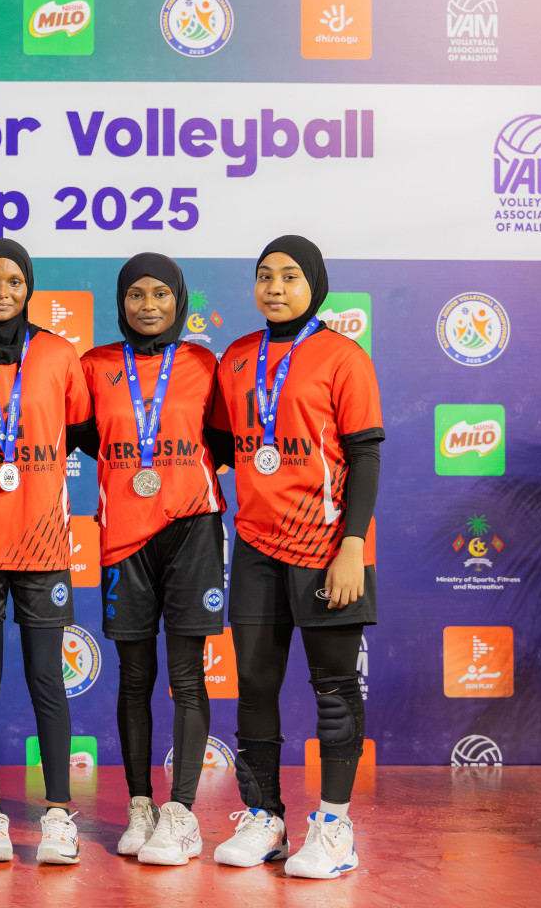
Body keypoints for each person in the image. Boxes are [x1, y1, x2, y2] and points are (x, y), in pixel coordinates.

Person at [207, 236, 380, 879]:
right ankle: (265, 817)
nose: (274, 287)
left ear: (314, 285)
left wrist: (353, 546)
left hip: (328, 547)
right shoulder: (237, 357)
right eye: (264, 276)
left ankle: (334, 827)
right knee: (254, 686)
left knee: (333, 689)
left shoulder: (343, 356)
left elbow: (364, 455)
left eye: (289, 276)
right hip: (255, 546)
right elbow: (219, 442)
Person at [73, 253, 228, 866]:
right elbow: (86, 435)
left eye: (161, 293)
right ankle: (141, 804)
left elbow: (222, 442)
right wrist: (134, 467)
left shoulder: (203, 364)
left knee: (187, 675)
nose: (148, 305)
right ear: (121, 301)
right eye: (135, 294)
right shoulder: (94, 366)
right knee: (134, 677)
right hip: (124, 535)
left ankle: (182, 810)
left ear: (179, 300)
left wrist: (174, 476)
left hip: (192, 527)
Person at [0, 239, 93, 866]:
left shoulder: (60, 356)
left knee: (45, 683)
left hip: (42, 546)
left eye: (12, 280)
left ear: (29, 287)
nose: (0, 291)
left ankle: (58, 815)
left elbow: (84, 432)